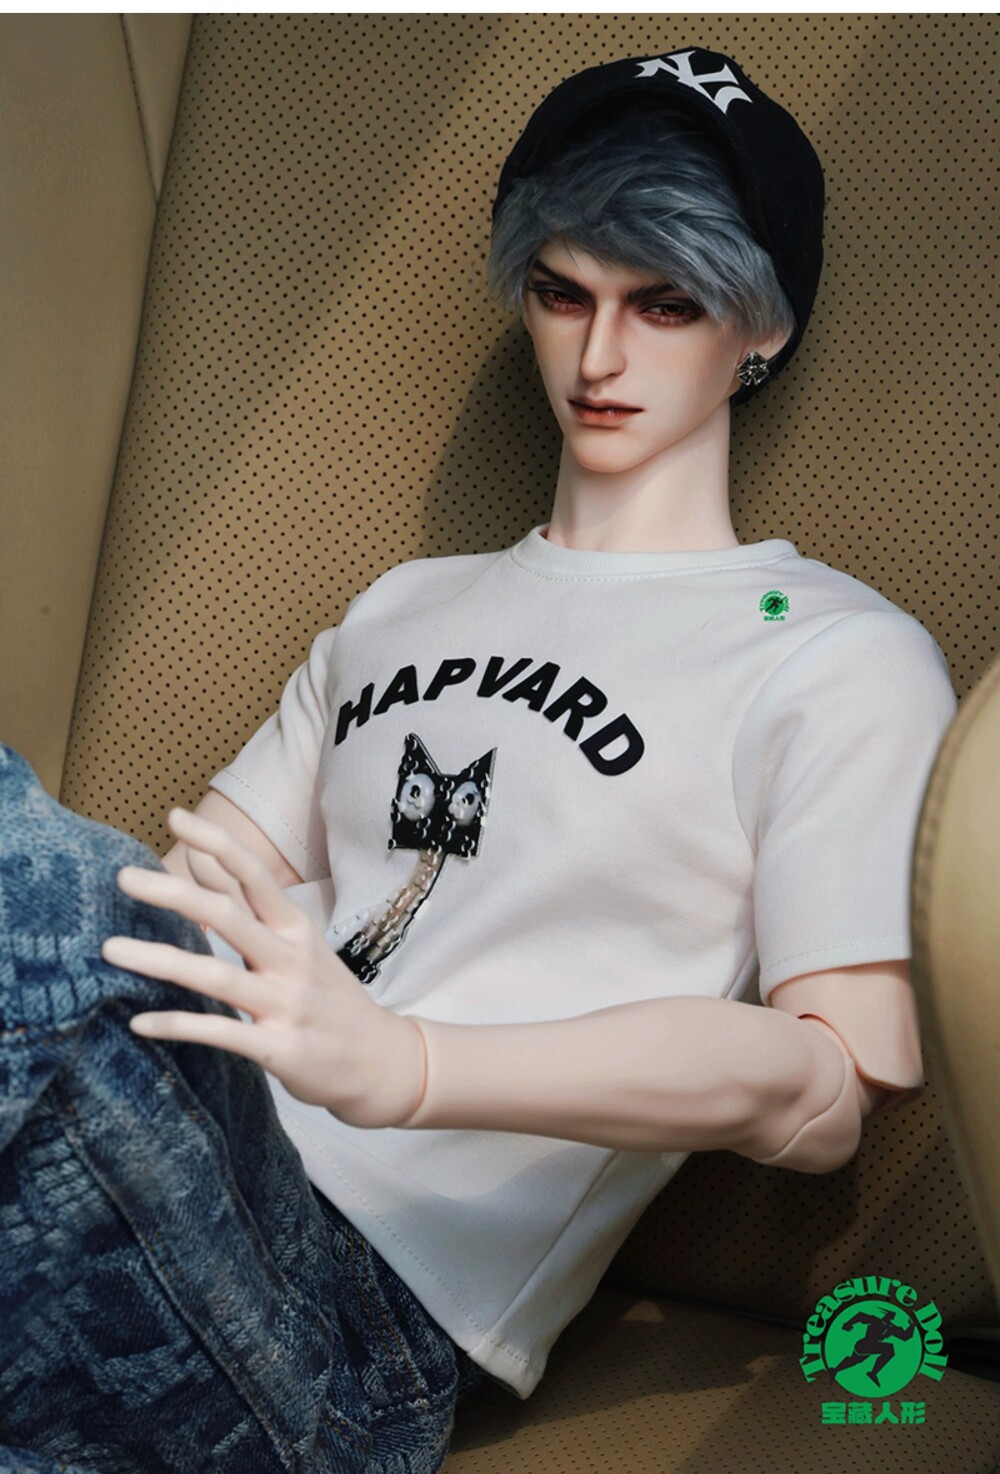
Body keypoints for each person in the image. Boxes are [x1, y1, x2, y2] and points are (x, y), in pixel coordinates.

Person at [0, 45, 957, 1474]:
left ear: (760, 327)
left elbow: (823, 1089)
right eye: (565, 293)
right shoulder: (402, 606)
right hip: (160, 1168)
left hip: (344, 1322)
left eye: (667, 304)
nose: (601, 355)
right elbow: (186, 900)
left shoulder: (833, 655)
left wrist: (413, 1063)